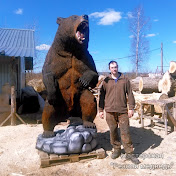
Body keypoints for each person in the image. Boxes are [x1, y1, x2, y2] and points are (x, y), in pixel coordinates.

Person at [98, 60, 140, 164]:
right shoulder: (106, 81)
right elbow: (101, 96)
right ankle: (116, 149)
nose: (114, 69)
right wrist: (100, 110)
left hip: (122, 111)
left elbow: (130, 94)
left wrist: (131, 108)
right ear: (109, 69)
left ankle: (129, 153)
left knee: (125, 131)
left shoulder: (125, 80)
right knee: (113, 131)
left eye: (116, 67)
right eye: (112, 67)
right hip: (110, 111)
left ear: (118, 67)